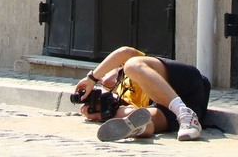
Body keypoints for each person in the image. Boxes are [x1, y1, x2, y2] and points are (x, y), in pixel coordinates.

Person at [73, 45, 210, 142]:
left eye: (104, 74)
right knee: (145, 119)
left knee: (132, 66)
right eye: (102, 84)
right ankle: (140, 130)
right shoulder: (122, 100)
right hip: (175, 107)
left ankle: (184, 113)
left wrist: (92, 78)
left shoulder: (133, 65)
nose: (103, 80)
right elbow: (135, 114)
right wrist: (99, 113)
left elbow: (123, 52)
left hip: (186, 82)